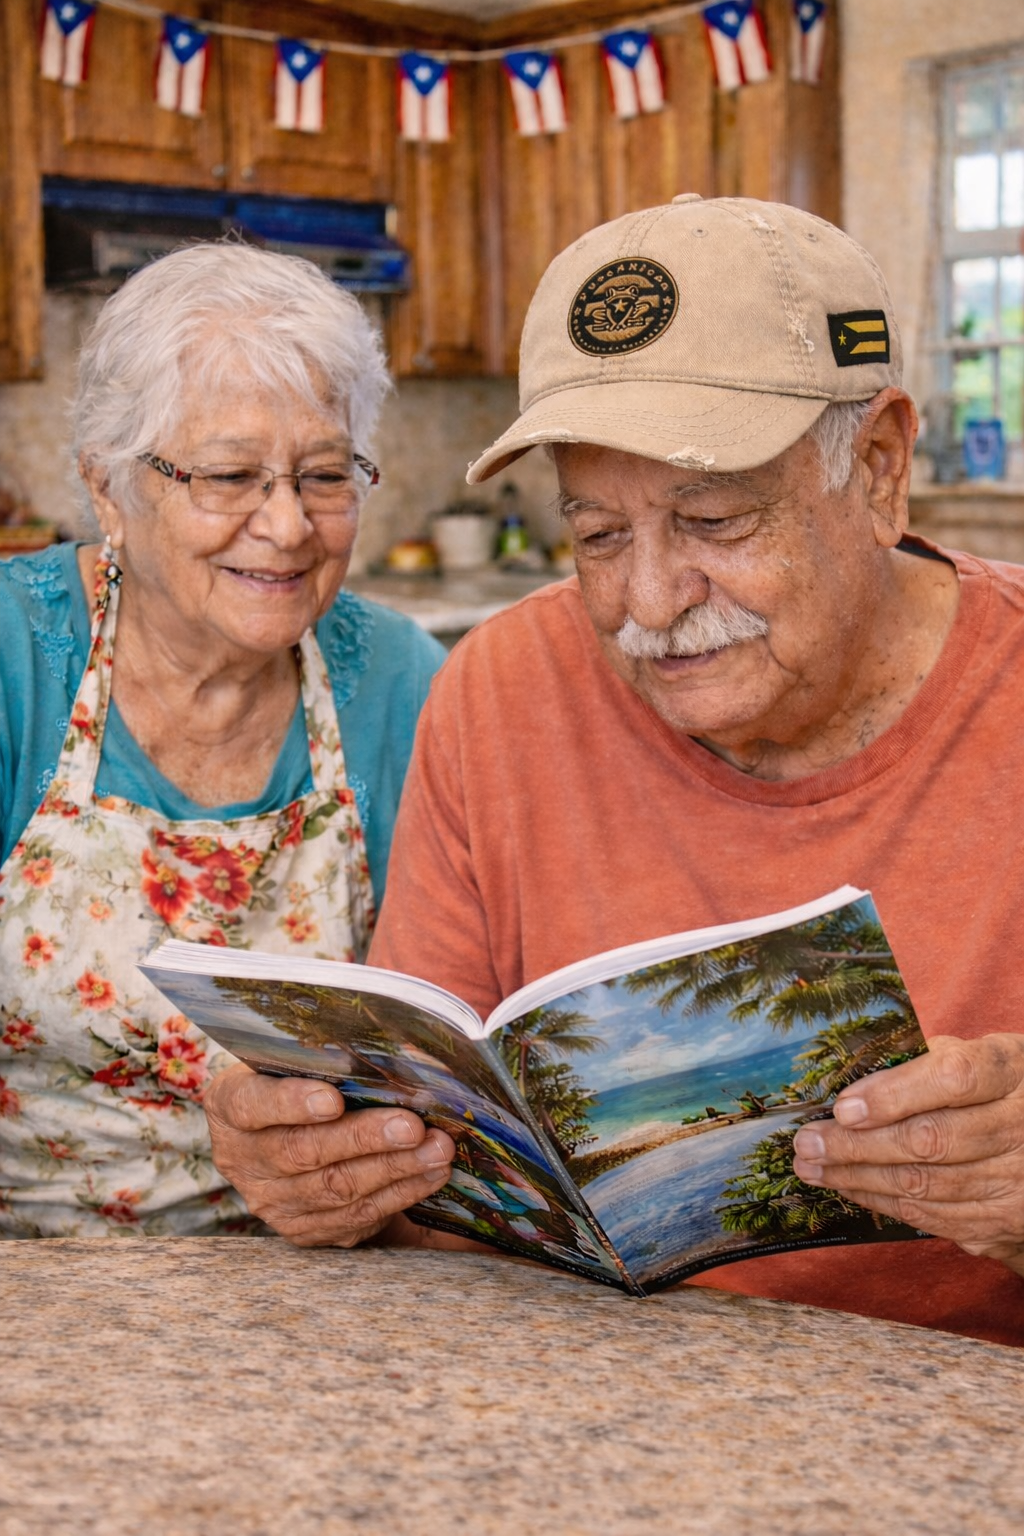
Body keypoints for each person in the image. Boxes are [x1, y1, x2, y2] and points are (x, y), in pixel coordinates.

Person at [204, 197, 1024, 1345]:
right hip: (558, 1383)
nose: (648, 603)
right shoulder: (499, 688)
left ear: (880, 470)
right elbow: (426, 1171)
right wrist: (329, 1168)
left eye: (714, 520)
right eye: (596, 534)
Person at [0, 242, 447, 1237]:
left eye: (323, 475)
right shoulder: (13, 660)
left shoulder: (401, 681)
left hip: (332, 1267)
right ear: (110, 490)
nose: (286, 526)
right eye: (231, 475)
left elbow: (449, 1042)